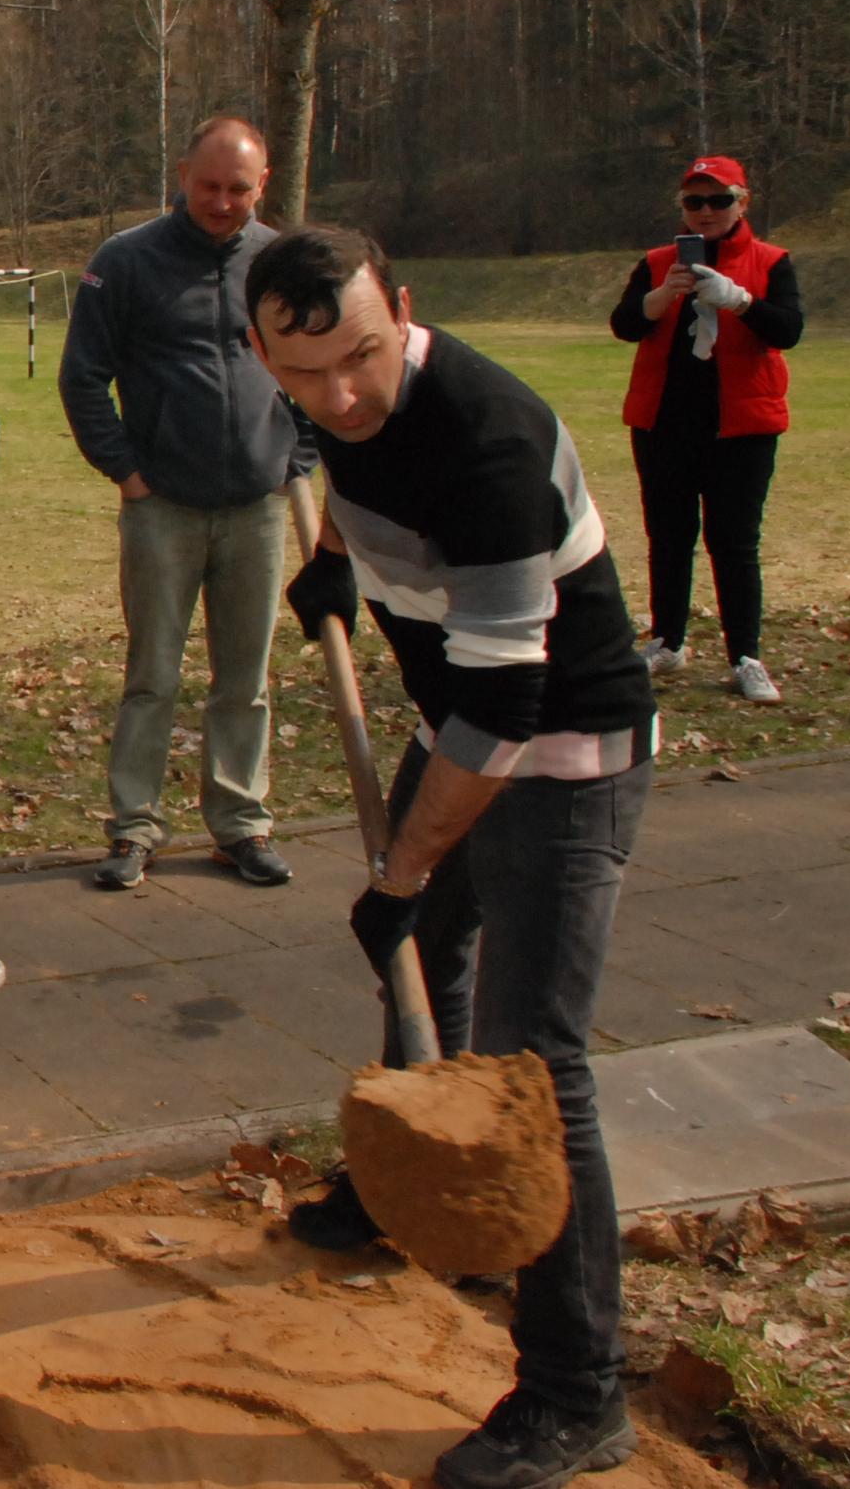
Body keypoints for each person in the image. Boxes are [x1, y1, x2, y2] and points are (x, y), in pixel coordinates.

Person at [248, 226, 655, 1489]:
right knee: (424, 959)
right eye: (302, 376)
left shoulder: (491, 440)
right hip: (464, 730)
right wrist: (327, 566)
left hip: (558, 751)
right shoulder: (329, 404)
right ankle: (417, 1186)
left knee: (542, 1066)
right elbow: (360, 487)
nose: (338, 398)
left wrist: (404, 866)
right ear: (265, 353)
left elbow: (506, 712)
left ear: (403, 312)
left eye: (361, 360)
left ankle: (576, 1393)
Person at [58, 115, 311, 892]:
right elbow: (82, 378)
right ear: (182, 173)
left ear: (262, 184)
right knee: (152, 676)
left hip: (257, 508)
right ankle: (134, 827)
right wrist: (128, 473)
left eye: (239, 188)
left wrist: (298, 459)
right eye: (209, 185)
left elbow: (314, 363)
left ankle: (241, 823)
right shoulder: (126, 261)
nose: (222, 201)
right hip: (162, 507)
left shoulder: (282, 263)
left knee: (245, 679)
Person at [608, 154, 803, 704]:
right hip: (664, 422)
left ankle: (745, 655)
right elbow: (625, 325)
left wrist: (740, 301)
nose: (706, 212)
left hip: (741, 425)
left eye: (719, 200)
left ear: (743, 202)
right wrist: (659, 296)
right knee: (668, 536)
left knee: (734, 542)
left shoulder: (770, 260)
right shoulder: (657, 261)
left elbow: (788, 330)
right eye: (694, 202)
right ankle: (668, 642)